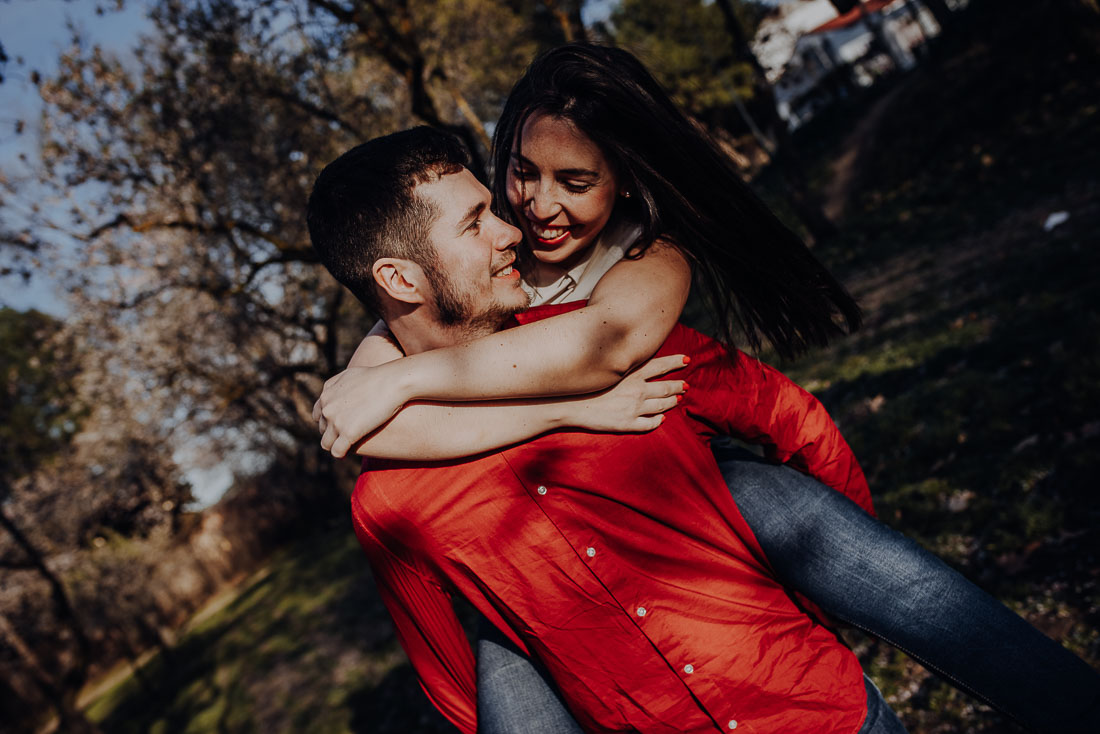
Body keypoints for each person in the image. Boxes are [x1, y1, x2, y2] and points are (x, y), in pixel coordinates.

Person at [312, 45, 1100, 733]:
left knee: (777, 504)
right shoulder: (397, 428)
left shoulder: (644, 279)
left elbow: (727, 393)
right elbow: (378, 448)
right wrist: (391, 379)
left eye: (575, 181)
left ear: (622, 187)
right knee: (502, 649)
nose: (529, 215)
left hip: (784, 661)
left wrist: (813, 595)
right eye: (517, 177)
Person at [307, 125, 908, 734]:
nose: (512, 231)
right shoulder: (388, 501)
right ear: (401, 280)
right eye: (473, 224)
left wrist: (818, 599)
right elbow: (456, 689)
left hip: (824, 709)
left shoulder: (613, 341)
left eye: (494, 210)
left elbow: (796, 421)